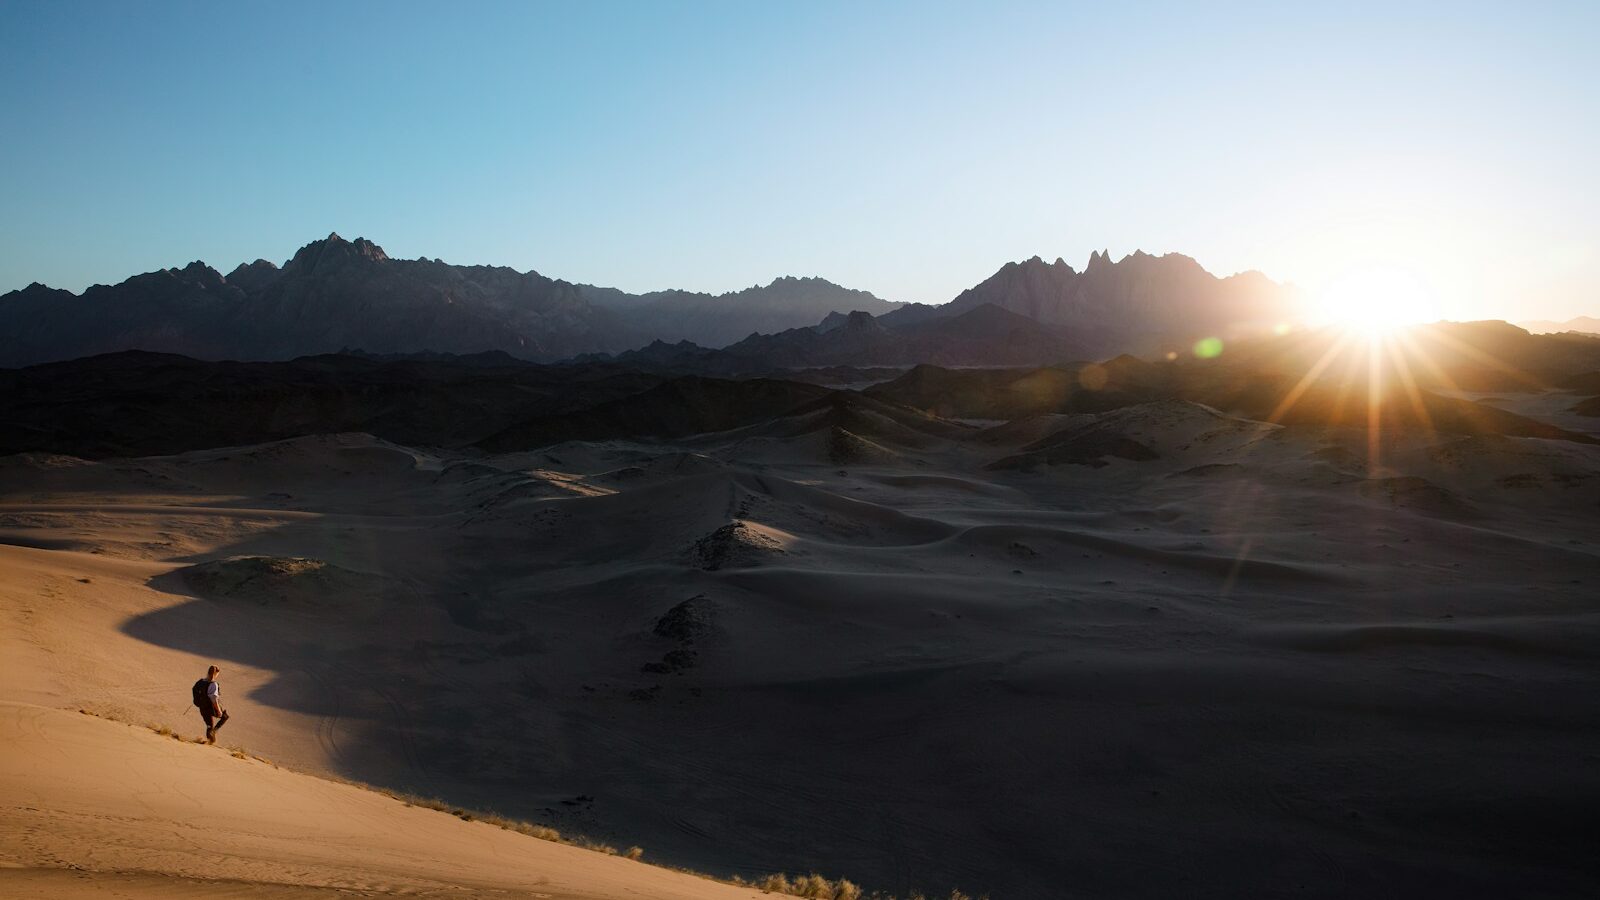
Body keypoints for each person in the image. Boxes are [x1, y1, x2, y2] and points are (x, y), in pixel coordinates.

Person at [192, 665, 230, 743]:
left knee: (209, 725)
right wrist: (219, 710)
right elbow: (214, 699)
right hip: (210, 708)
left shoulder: (201, 681)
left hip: (202, 707)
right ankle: (213, 732)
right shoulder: (213, 684)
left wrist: (198, 699)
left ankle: (209, 742)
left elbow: (194, 689)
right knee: (225, 717)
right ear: (216, 673)